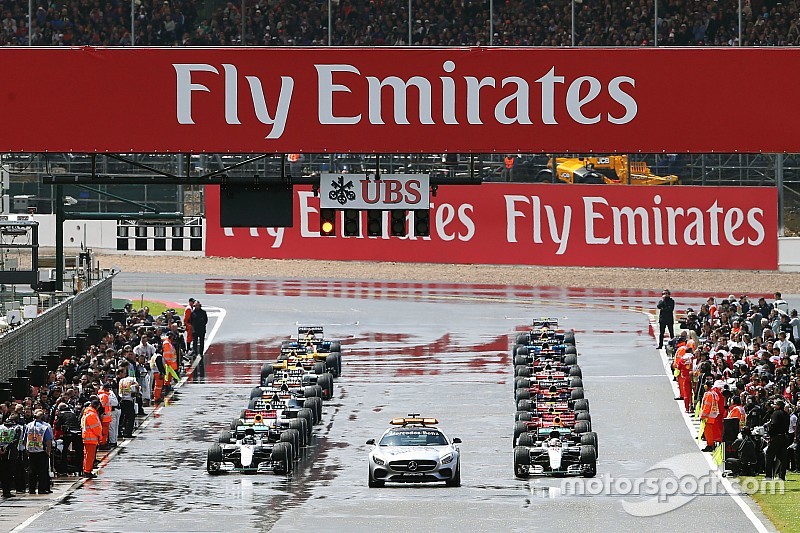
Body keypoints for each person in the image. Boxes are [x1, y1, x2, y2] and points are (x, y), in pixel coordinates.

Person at [23, 409, 53, 494]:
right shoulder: (45, 426)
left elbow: (25, 439)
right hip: (41, 451)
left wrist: (27, 449)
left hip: (31, 451)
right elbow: (48, 440)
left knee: (32, 471)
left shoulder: (29, 425)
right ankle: (41, 489)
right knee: (42, 471)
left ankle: (31, 489)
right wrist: (49, 451)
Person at [765, 399, 790, 480]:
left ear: (778, 406)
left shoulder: (776, 413)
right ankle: (782, 476)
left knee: (769, 456)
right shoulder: (786, 414)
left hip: (776, 437)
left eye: (775, 404)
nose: (774, 406)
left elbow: (774, 425)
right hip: (784, 437)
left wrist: (769, 431)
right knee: (783, 458)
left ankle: (769, 476)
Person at [0, 415, 20, 498]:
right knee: (8, 472)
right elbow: (16, 440)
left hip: (4, 451)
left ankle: (6, 490)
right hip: (10, 452)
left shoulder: (1, 427)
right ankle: (6, 491)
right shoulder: (16, 428)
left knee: (4, 472)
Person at [80, 400, 101, 479]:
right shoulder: (91, 414)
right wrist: (100, 435)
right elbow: (95, 427)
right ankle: (87, 471)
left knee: (87, 455)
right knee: (89, 456)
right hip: (91, 438)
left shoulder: (87, 413)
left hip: (88, 437)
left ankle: (86, 470)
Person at [117, 369, 138, 438]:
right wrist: (136, 392)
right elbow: (137, 386)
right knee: (131, 417)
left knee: (123, 417)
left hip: (122, 400)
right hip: (128, 400)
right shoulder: (131, 380)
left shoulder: (121, 381)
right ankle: (128, 432)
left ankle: (120, 431)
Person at [190, 301, 209, 377]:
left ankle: (201, 352)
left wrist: (202, 324)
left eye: (198, 306)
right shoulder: (193, 313)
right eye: (195, 306)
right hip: (195, 329)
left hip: (201, 329)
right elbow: (191, 320)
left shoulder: (203, 312)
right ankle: (195, 352)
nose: (196, 307)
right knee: (194, 341)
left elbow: (206, 320)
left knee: (201, 342)